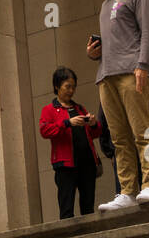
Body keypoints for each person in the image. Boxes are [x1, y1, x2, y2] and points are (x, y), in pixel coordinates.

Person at [85, 0, 149, 210]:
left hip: (131, 71)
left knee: (142, 130)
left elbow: (148, 30)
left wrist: (143, 65)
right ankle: (127, 190)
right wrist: (95, 53)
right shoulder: (105, 6)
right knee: (119, 138)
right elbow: (117, 40)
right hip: (106, 75)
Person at [39, 67, 102, 219]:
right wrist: (67, 122)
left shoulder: (79, 108)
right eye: (67, 86)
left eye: (73, 87)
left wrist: (93, 123)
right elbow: (45, 131)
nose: (71, 90)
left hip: (87, 163)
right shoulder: (49, 110)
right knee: (66, 208)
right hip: (66, 165)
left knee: (88, 207)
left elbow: (95, 133)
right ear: (57, 86)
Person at [96, 85, 149, 208]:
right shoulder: (108, 93)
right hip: (123, 154)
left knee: (143, 134)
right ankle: (127, 192)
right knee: (120, 141)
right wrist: (109, 152)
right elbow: (104, 127)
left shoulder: (148, 92)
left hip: (146, 150)